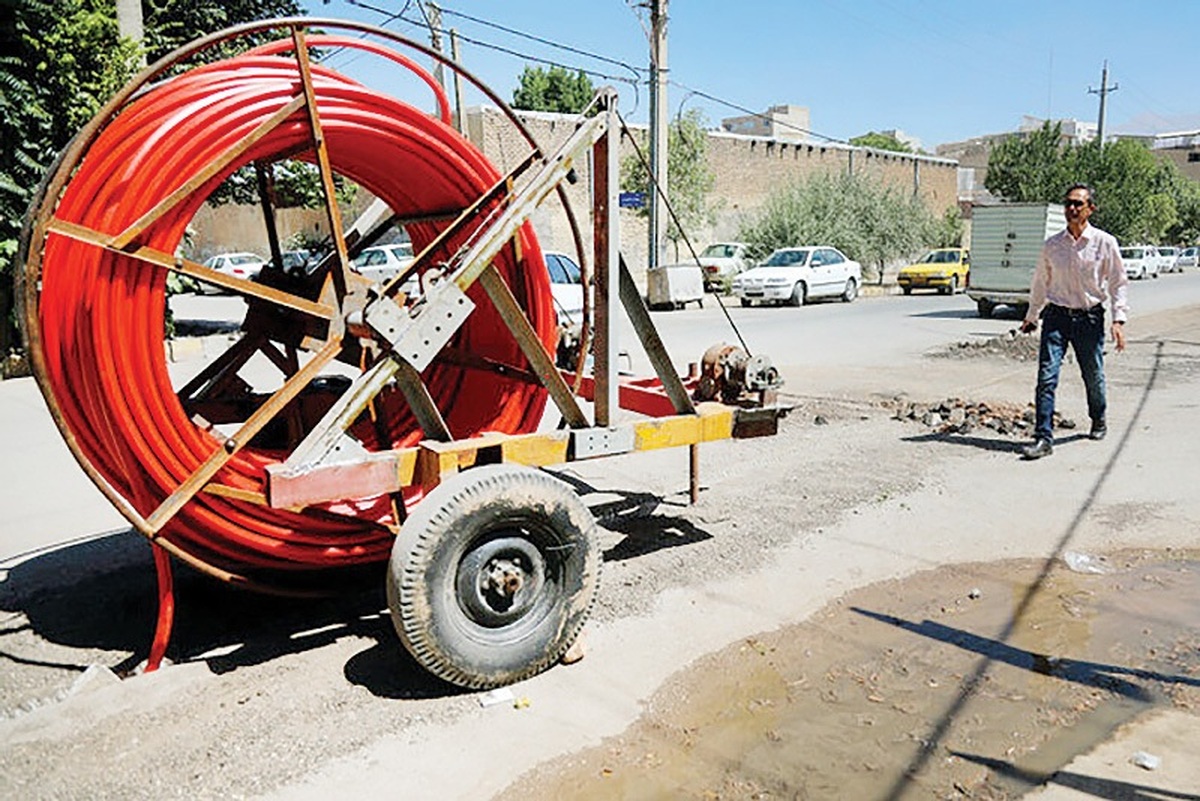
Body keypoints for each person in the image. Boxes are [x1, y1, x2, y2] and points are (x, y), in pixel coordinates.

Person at [1019, 184, 1128, 460]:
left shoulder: (1105, 243)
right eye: (1068, 203)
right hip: (1056, 317)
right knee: (1046, 377)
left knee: (1093, 374)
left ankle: (1098, 418)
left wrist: (1119, 319)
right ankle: (1043, 438)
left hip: (1089, 318)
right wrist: (1032, 316)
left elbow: (1118, 283)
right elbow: (1041, 283)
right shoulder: (1052, 245)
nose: (1072, 208)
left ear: (1090, 208)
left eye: (1079, 204)